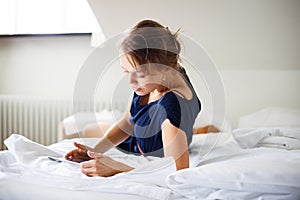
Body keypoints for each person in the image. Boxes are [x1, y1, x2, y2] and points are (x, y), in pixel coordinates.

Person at [65, 19, 201, 177]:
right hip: (138, 136)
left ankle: (203, 129)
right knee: (90, 129)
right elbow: (128, 121)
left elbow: (177, 174)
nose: (130, 81)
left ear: (165, 70)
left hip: (142, 144)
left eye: (140, 75)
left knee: (89, 129)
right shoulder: (167, 75)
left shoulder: (171, 107)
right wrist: (93, 151)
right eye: (126, 71)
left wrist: (116, 168)